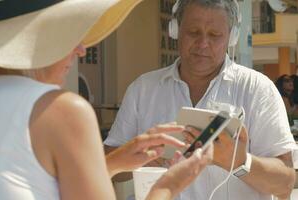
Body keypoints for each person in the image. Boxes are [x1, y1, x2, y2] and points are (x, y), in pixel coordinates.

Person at [0, 0, 212, 200]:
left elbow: (17, 180)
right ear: (42, 38)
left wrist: (109, 164)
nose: (81, 49)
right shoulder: (61, 110)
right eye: (72, 34)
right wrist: (169, 185)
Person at [104, 0, 297, 199]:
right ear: (175, 30)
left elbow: (285, 183)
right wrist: (142, 157)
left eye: (214, 35)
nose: (203, 43)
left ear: (232, 37)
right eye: (193, 32)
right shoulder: (142, 89)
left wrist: (240, 162)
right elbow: (107, 165)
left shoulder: (257, 89)